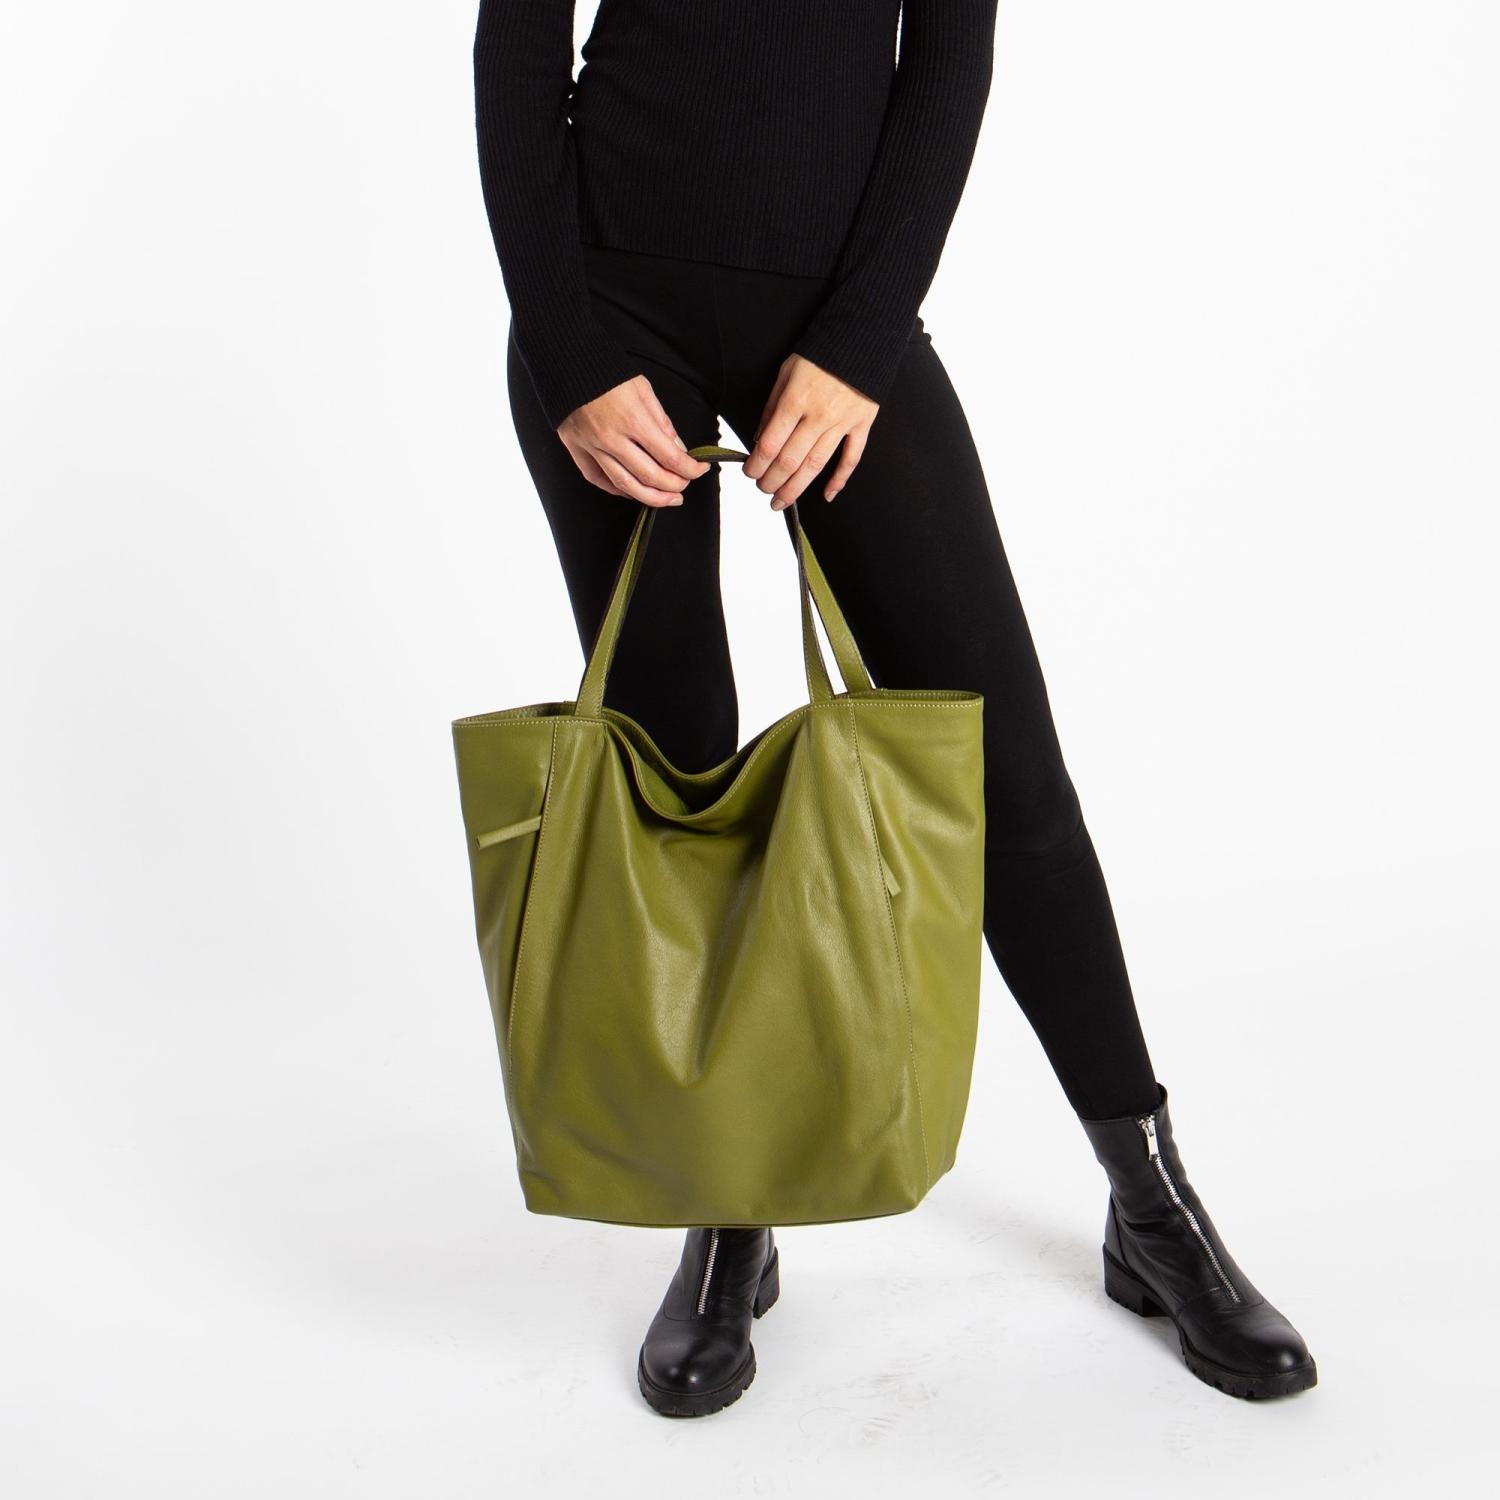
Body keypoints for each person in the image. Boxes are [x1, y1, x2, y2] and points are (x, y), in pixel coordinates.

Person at [472, 0, 1316, 1415]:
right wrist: (563, 341)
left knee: (1001, 775)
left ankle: (1150, 1199)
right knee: (682, 785)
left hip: (833, 318)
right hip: (611, 316)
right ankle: (730, 1213)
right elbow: (517, 45)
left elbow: (949, 56)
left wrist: (862, 335)